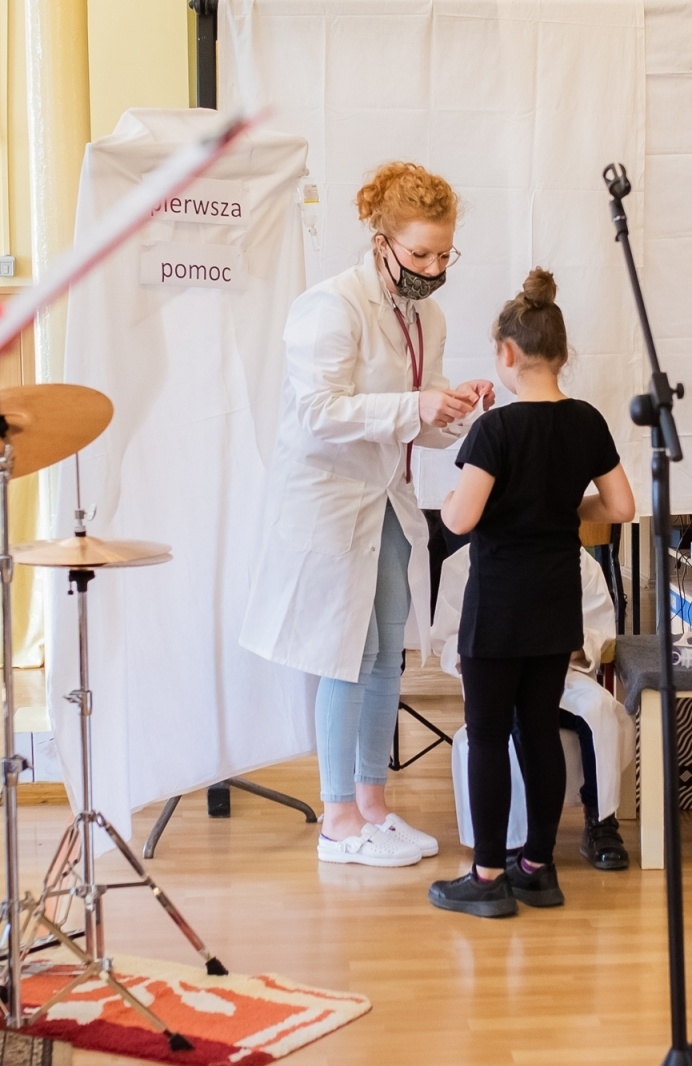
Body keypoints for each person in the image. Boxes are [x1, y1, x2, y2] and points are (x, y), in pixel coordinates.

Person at [240, 162, 496, 869]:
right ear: (381, 240)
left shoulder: (426, 315)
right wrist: (418, 406)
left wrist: (456, 409)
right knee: (344, 656)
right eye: (420, 254)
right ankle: (337, 818)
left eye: (445, 254)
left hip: (385, 498)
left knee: (389, 653)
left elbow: (421, 419)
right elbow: (319, 413)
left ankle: (374, 807)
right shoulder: (331, 307)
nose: (435, 267)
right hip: (327, 503)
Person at [429, 268, 635, 918]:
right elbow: (621, 507)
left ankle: (488, 878)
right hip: (555, 602)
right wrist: (559, 503)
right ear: (562, 353)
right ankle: (538, 870)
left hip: (496, 606)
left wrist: (456, 499)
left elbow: (460, 519)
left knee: (488, 733)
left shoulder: (495, 430)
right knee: (538, 730)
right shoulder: (586, 422)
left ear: (507, 354)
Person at [433, 544, 634, 871]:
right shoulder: (463, 563)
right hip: (497, 675)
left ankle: (601, 821)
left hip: (562, 671)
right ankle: (514, 840)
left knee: (600, 709)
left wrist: (549, 650)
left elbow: (598, 632)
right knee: (506, 722)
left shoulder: (576, 560)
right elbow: (449, 640)